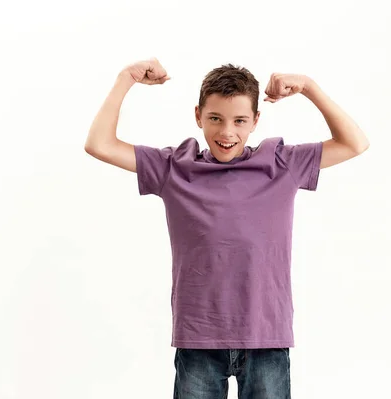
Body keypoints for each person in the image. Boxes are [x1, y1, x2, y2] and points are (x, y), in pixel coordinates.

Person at [84, 57, 369, 399]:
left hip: (266, 336)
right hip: (199, 338)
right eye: (215, 119)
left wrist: (308, 86)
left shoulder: (281, 164)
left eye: (239, 120)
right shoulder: (174, 167)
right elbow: (99, 144)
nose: (226, 132)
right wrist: (125, 78)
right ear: (198, 116)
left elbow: (355, 143)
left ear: (255, 121)